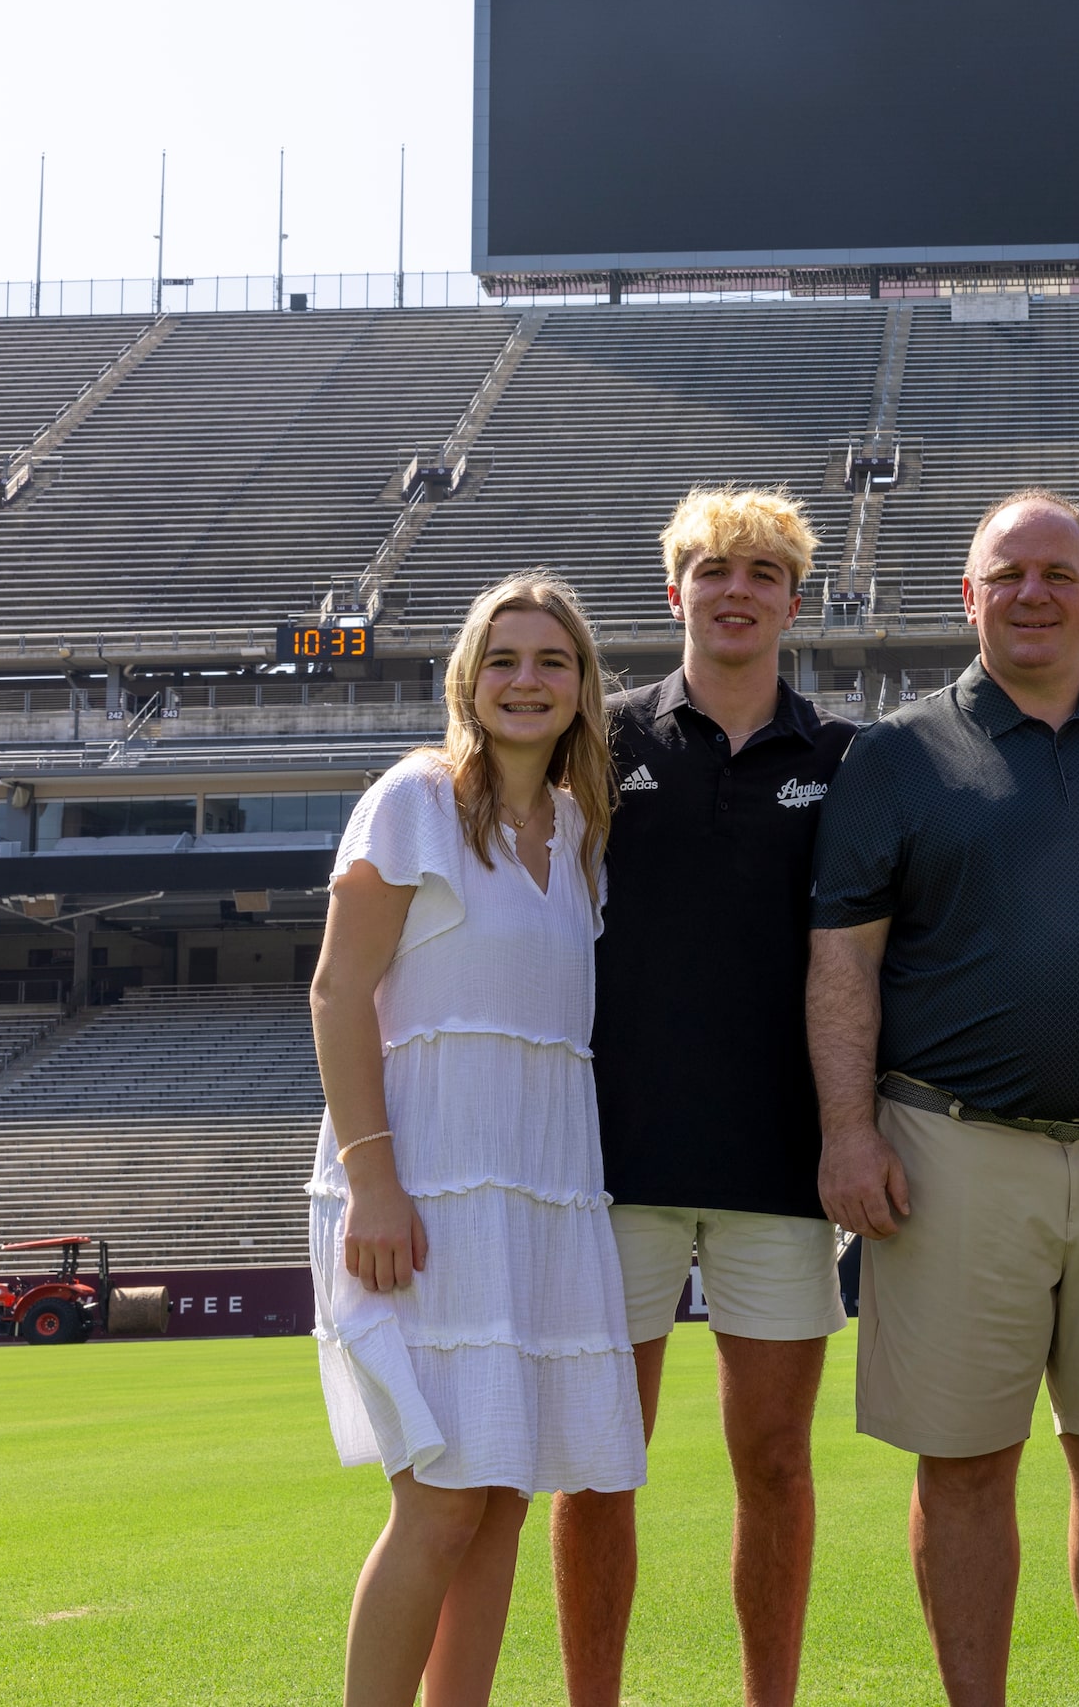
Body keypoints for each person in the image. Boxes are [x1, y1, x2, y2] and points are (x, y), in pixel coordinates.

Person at [806, 488, 1079, 1707]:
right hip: (955, 1149)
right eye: (1006, 574)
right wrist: (844, 1133)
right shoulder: (897, 753)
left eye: (1054, 573)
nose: (1030, 594)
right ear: (966, 597)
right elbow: (844, 960)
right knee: (964, 1467)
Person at [307, 570, 642, 1707]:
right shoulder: (413, 798)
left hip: (537, 1192)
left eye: (553, 660)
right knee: (444, 1495)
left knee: (502, 1493)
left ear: (585, 687)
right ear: (467, 677)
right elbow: (337, 994)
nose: (526, 679)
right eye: (502, 658)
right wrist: (374, 1186)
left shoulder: (579, 829)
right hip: (423, 1190)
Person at [553, 490, 855, 1707]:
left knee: (775, 1462)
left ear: (794, 599)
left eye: (763, 573)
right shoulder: (595, 738)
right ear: (674, 591)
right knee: (597, 1465)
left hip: (781, 1174)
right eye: (714, 570)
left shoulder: (846, 758)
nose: (738, 590)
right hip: (608, 1166)